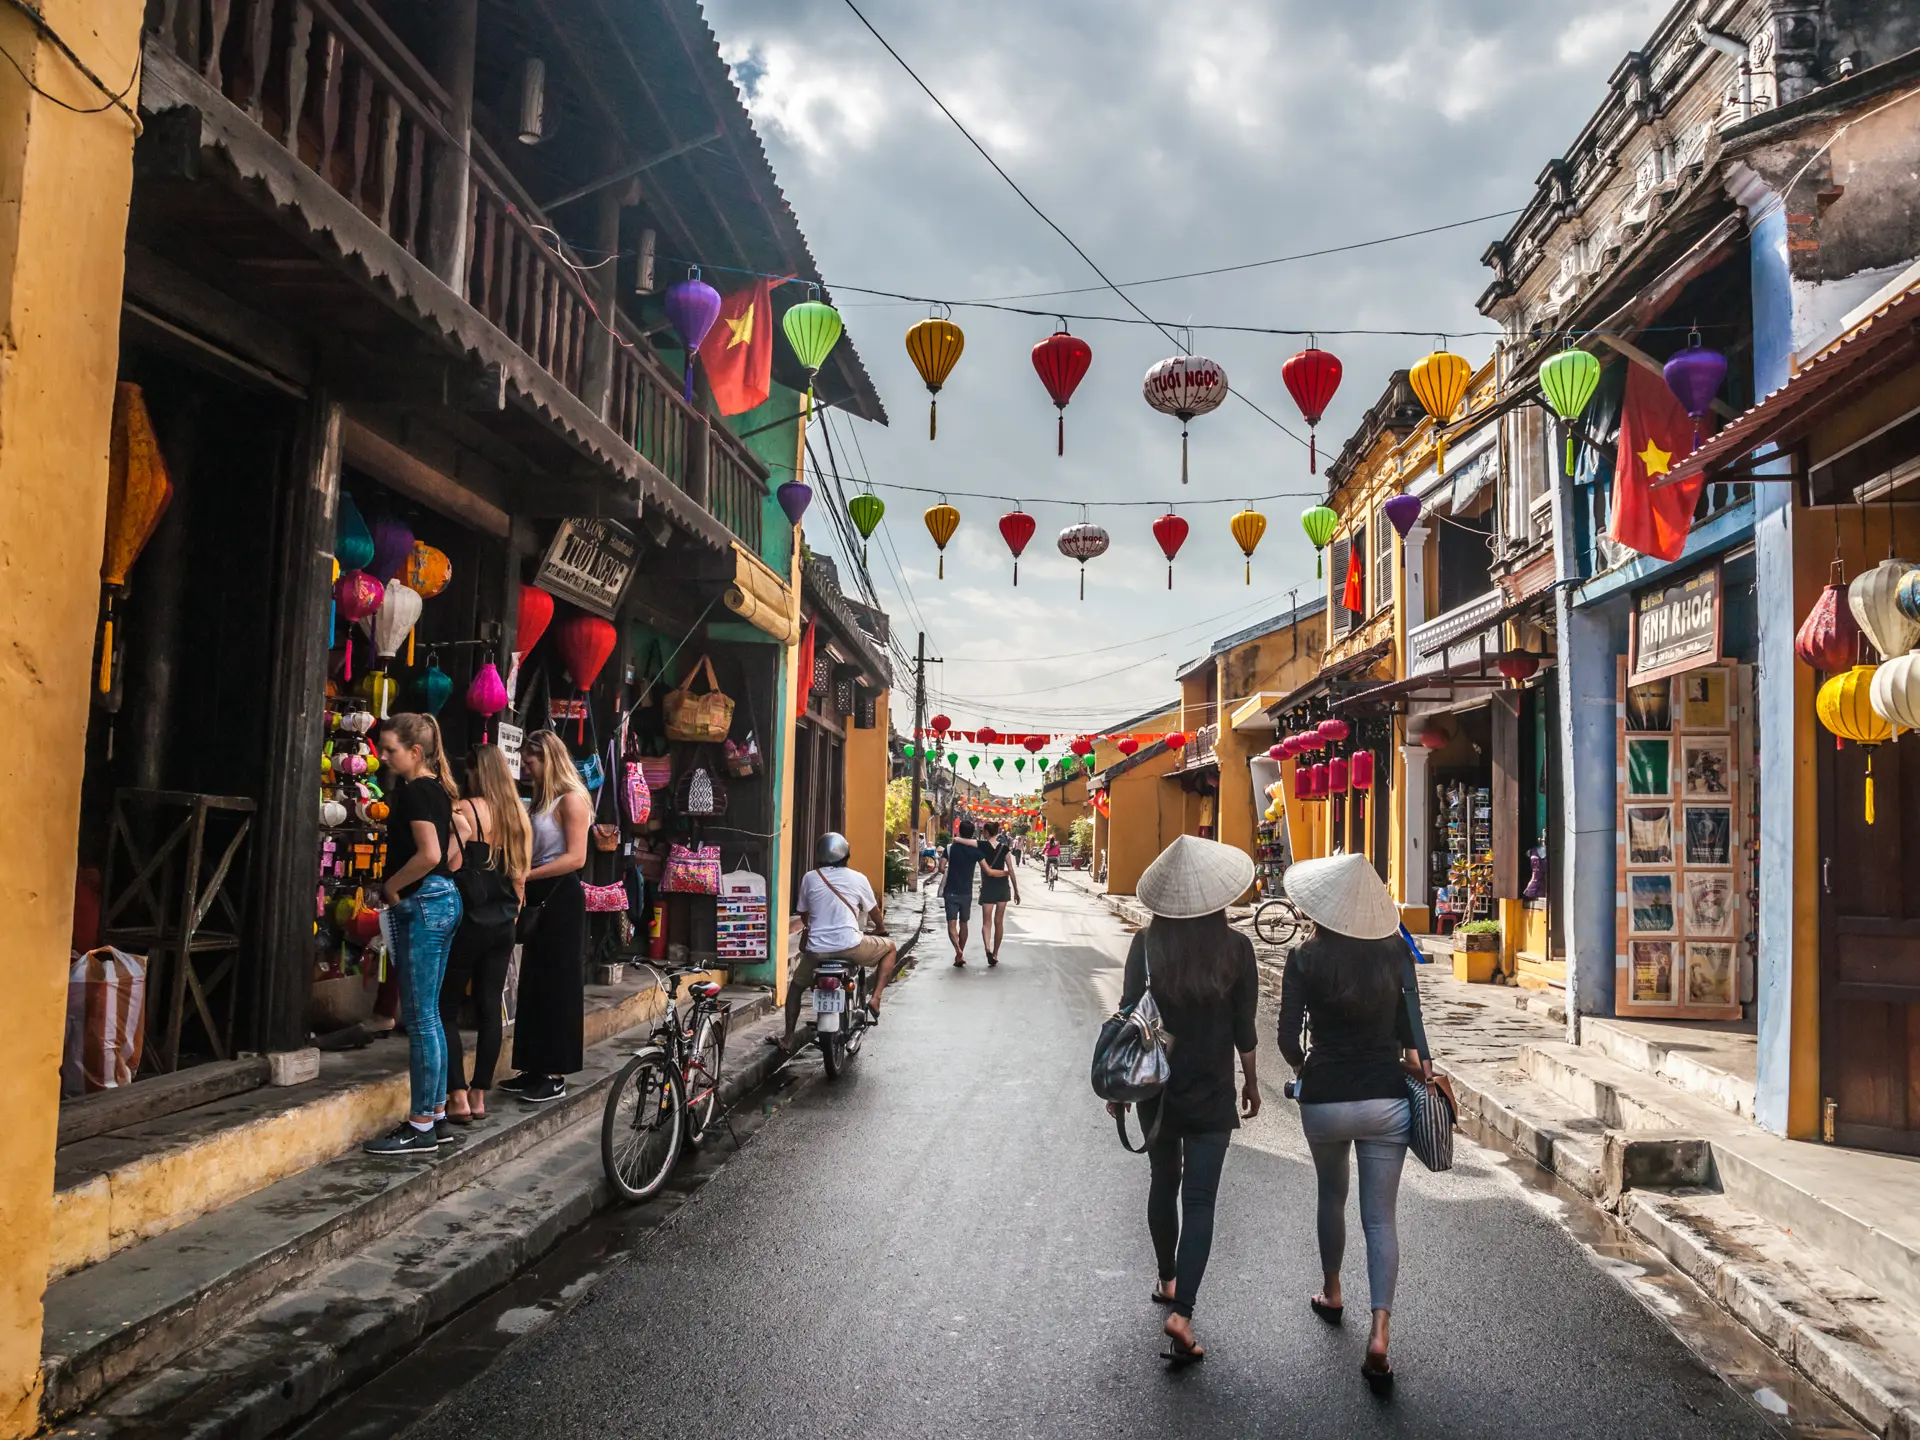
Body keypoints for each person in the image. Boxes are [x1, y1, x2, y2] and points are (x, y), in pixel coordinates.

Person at [1277, 852, 1433, 1396]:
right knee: (1381, 1220)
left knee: (1330, 1196)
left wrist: (1306, 1070)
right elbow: (1414, 1035)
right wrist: (1417, 1065)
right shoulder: (1396, 955)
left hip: (1323, 1100)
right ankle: (1381, 1334)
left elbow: (1286, 1041)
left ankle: (1332, 1291)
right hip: (1385, 1101)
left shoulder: (1304, 958)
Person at [1107, 835, 1260, 1366]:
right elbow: (1245, 1027)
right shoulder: (1237, 949)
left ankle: (1167, 1279)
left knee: (1161, 1181)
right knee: (1199, 1201)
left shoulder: (1147, 944)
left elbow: (1130, 1014)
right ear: (1217, 896)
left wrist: (1120, 1093)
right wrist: (1253, 1081)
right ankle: (1183, 1313)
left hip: (1155, 1089)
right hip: (1212, 1089)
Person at [363, 714, 464, 1157]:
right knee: (431, 1015)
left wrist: (391, 886)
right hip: (441, 899)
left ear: (416, 752)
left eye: (391, 750)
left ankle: (421, 1122)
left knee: (422, 1018)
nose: (383, 757)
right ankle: (436, 1116)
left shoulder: (418, 792)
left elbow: (431, 854)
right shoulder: (437, 789)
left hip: (424, 901)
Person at [440, 744, 530, 1124]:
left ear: (477, 771)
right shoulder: (517, 817)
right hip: (503, 924)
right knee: (490, 1009)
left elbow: (450, 863)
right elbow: (521, 881)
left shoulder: (462, 810)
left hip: (468, 922)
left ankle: (456, 1095)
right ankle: (479, 1096)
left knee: (444, 1006)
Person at [500, 731, 589, 1104]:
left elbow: (576, 858)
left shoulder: (571, 800)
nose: (527, 767)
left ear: (547, 759)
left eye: (532, 760)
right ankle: (532, 1066)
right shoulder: (540, 800)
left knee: (558, 984)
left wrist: (527, 874)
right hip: (538, 892)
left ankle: (555, 1072)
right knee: (534, 982)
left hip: (560, 895)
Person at [775, 832, 900, 1053]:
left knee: (795, 988)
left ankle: (788, 1037)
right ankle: (876, 998)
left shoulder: (810, 878)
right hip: (850, 946)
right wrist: (881, 930)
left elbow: (803, 914)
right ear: (846, 856)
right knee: (890, 948)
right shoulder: (858, 878)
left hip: (816, 951)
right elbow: (874, 912)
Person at [938, 818, 986, 967]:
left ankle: (957, 950)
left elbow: (941, 867)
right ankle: (960, 953)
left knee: (951, 923)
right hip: (966, 892)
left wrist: (949, 872)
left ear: (959, 831)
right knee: (964, 923)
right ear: (972, 834)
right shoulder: (975, 851)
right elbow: (986, 869)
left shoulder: (950, 848)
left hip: (951, 891)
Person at [976, 821, 1019, 967]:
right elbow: (1011, 870)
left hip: (988, 887)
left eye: (983, 831)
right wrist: (1016, 891)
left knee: (986, 922)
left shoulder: (981, 846)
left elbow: (962, 840)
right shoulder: (1005, 848)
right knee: (999, 921)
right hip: (1002, 887)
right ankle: (995, 953)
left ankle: (987, 948)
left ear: (987, 832)